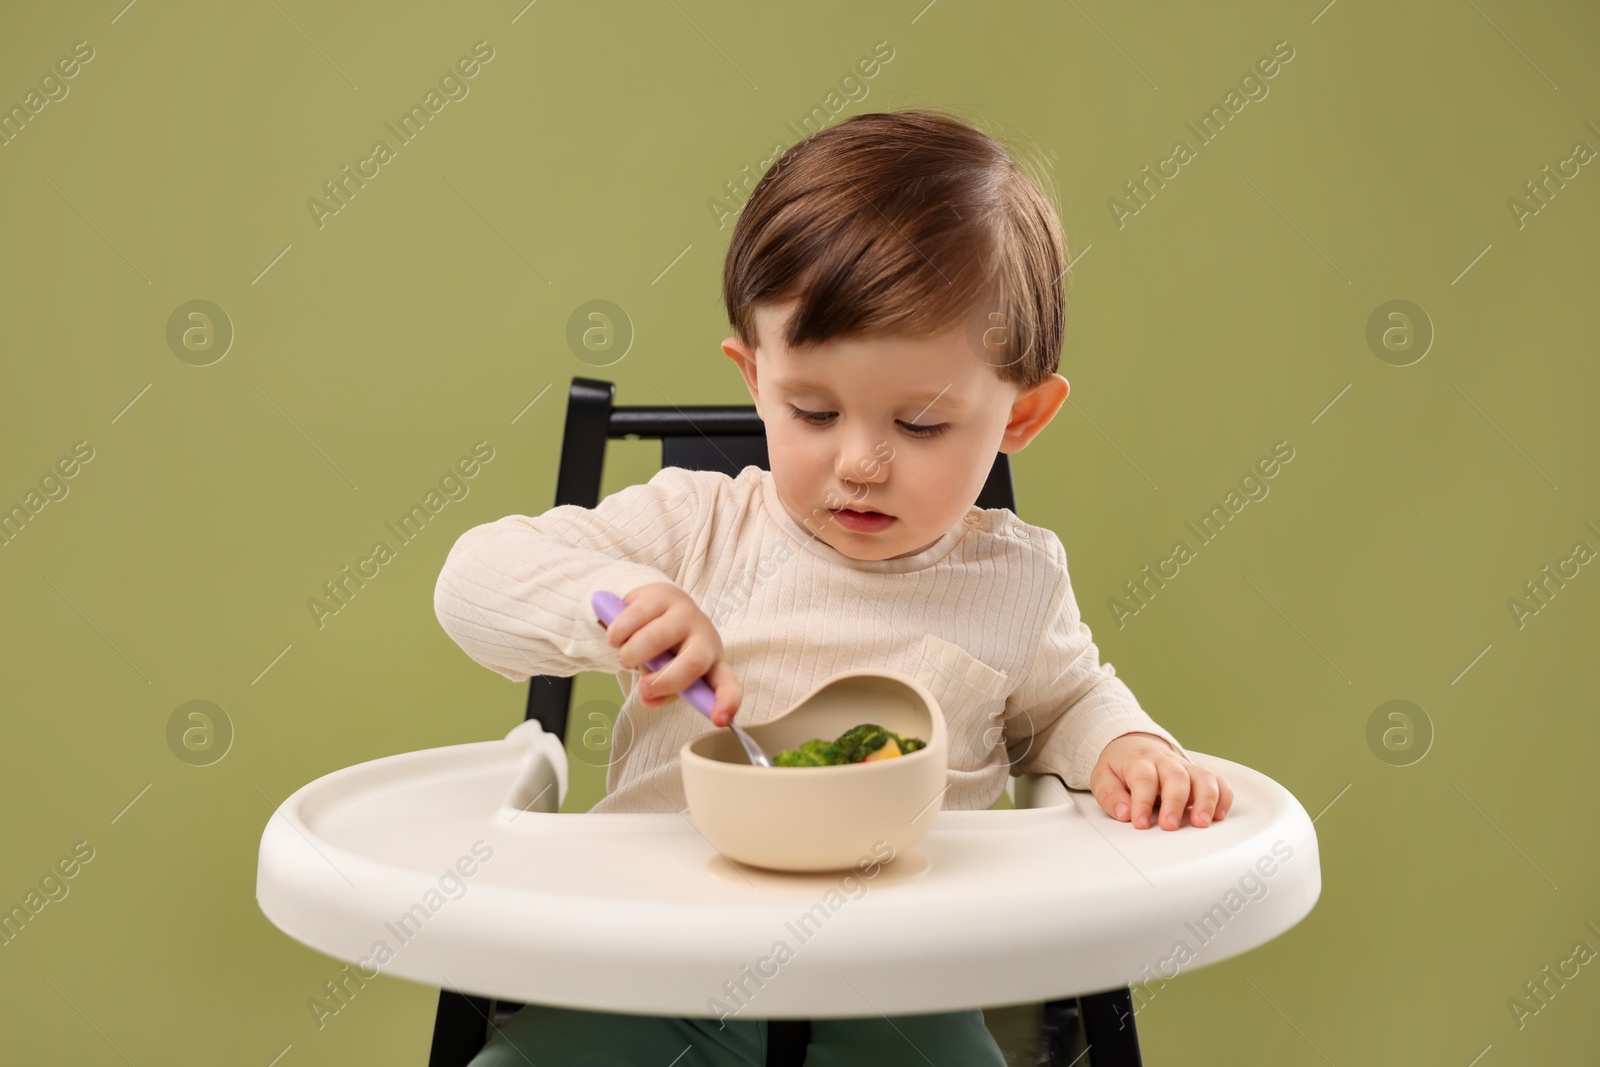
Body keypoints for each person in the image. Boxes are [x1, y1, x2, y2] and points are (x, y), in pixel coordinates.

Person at [433, 106, 1234, 1067]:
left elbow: (1070, 700)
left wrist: (1128, 745)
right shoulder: (694, 528)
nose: (860, 462)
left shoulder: (1015, 577)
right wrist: (616, 600)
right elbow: (474, 579)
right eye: (813, 410)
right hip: (653, 962)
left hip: (900, 987)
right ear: (755, 378)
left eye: (924, 425)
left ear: (1021, 415)